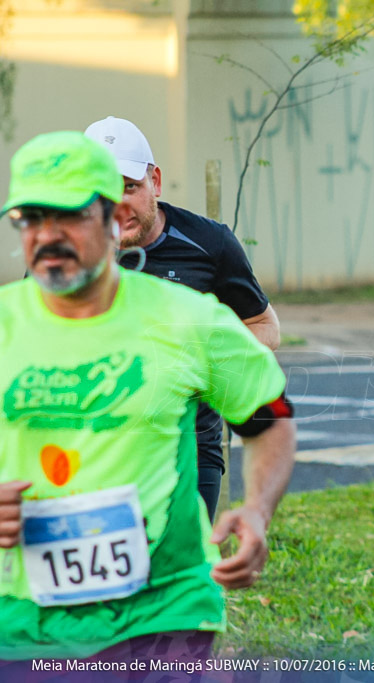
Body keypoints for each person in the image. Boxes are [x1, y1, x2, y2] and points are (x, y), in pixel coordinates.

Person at [0, 131, 296, 668]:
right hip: (22, 615)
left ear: (110, 218)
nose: (48, 235)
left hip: (164, 613)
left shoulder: (186, 317)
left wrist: (256, 509)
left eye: (68, 216)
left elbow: (271, 418)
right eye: (31, 219)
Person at [85, 116, 281, 520]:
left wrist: (201, 364)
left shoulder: (208, 243)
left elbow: (264, 328)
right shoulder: (65, 254)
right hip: (91, 452)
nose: (118, 207)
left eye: (129, 187)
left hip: (189, 452)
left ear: (155, 181)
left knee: (179, 577)